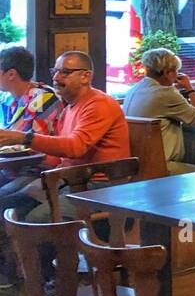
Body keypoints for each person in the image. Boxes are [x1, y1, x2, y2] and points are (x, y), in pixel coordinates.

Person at [0, 51, 131, 221]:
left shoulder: (99, 104)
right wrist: (29, 156)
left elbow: (75, 147)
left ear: (86, 76)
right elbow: (57, 157)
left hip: (102, 186)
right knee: (7, 201)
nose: (56, 77)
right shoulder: (69, 107)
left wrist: (24, 139)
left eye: (65, 72)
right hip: (71, 179)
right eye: (55, 71)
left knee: (36, 217)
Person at [0, 45, 61, 287]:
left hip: (40, 170)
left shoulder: (43, 98)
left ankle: (13, 273)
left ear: (11, 74)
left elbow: (37, 146)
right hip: (13, 168)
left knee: (3, 198)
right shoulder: (8, 99)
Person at [123, 47, 195, 173]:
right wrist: (190, 89)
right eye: (176, 71)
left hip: (138, 166)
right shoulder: (165, 93)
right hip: (162, 166)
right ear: (167, 73)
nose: (177, 76)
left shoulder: (134, 90)